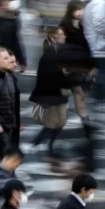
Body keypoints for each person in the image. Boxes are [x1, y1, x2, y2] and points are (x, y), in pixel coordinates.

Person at [30, 27, 76, 160]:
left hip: (60, 93)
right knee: (53, 123)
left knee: (60, 122)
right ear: (54, 37)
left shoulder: (60, 52)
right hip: (52, 94)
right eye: (61, 35)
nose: (64, 37)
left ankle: (41, 143)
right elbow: (46, 75)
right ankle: (43, 145)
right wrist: (64, 73)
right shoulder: (50, 53)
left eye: (63, 35)